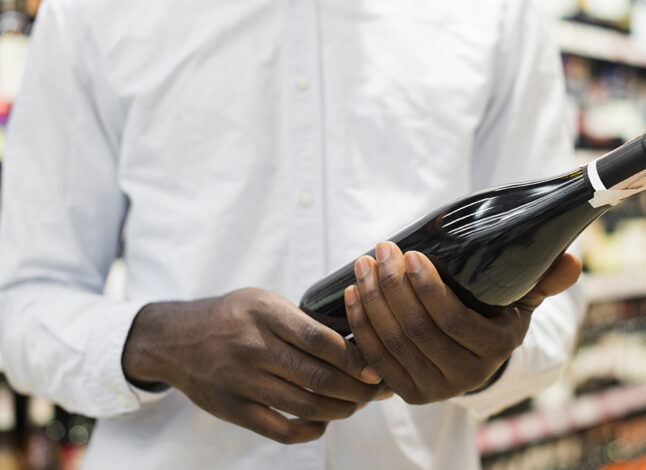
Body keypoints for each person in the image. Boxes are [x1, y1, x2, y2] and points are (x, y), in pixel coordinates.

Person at [0, 0, 585, 469]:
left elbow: (557, 303)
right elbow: (20, 300)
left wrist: (494, 357)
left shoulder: (503, 11)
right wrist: (159, 340)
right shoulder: (91, 12)